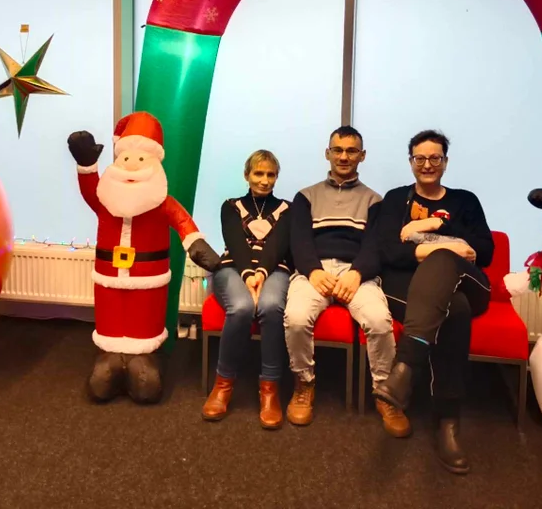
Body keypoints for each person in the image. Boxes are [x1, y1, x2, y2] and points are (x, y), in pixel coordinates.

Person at [353, 129, 493, 474]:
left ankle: (405, 369)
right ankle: (448, 421)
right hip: (412, 289)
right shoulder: (396, 199)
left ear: (445, 161)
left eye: (435, 158)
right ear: (411, 161)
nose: (427, 164)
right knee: (454, 310)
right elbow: (386, 250)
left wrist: (431, 252)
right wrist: (447, 246)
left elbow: (485, 251)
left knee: (445, 265)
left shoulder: (465, 201)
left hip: (468, 282)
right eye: (420, 158)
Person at [283, 126, 409, 436]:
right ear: (327, 153)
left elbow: (376, 246)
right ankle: (304, 383)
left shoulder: (374, 200)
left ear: (362, 156)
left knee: (380, 321)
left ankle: (385, 392)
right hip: (316, 271)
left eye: (351, 151)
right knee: (296, 319)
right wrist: (313, 271)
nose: (343, 156)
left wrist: (356, 273)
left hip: (357, 273)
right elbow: (298, 241)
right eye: (337, 150)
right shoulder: (305, 196)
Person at [202, 150, 294, 429]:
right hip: (233, 268)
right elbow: (235, 243)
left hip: (275, 270)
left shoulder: (288, 209)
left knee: (269, 306)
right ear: (247, 175)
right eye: (259, 173)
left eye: (270, 174)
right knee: (242, 307)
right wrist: (247, 275)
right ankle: (223, 384)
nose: (265, 181)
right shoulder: (230, 206)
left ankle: (269, 389)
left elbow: (277, 247)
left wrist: (261, 274)